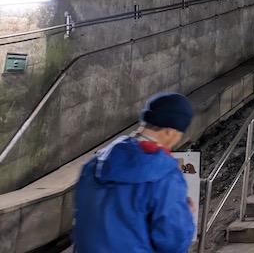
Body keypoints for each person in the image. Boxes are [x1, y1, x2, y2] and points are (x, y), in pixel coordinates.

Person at [73, 92, 196, 253]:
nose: (177, 140)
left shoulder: (93, 165)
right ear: (169, 132)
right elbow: (172, 241)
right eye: (179, 134)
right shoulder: (165, 176)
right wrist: (186, 213)